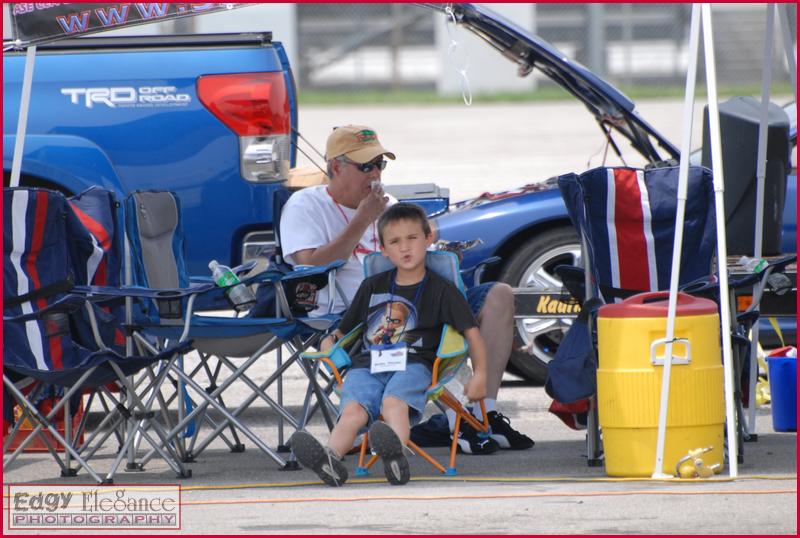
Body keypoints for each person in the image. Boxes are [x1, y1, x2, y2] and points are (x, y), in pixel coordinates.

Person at [280, 124, 533, 453]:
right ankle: (464, 423)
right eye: (365, 166)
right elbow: (309, 265)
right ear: (336, 167)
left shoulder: (390, 205)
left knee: (498, 294)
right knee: (416, 331)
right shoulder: (306, 206)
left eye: (380, 165)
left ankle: (485, 409)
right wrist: (362, 220)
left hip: (421, 302)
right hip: (359, 316)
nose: (375, 174)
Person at [289, 203, 487, 486]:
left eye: (412, 238)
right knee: (353, 410)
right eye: (395, 242)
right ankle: (331, 459)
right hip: (367, 365)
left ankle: (396, 456)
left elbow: (472, 333)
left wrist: (480, 374)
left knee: (395, 403)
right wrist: (329, 339)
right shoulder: (372, 285)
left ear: (428, 238)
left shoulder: (442, 290)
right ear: (383, 249)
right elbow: (345, 327)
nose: (405, 248)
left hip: (415, 364)